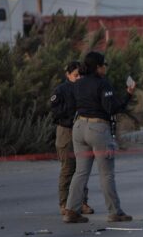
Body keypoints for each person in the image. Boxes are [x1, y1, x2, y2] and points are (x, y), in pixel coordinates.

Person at [62, 51, 135, 224]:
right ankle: (115, 211)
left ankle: (71, 210)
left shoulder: (78, 83)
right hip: (98, 128)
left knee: (80, 172)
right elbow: (112, 108)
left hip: (79, 127)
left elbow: (72, 105)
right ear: (98, 67)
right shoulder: (103, 84)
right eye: (103, 65)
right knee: (106, 173)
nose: (105, 68)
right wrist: (128, 95)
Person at [50, 61, 93, 217]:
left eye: (81, 75)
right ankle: (64, 203)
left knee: (82, 168)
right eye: (75, 75)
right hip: (67, 131)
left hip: (82, 130)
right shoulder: (61, 90)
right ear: (68, 75)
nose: (79, 77)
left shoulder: (84, 88)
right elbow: (55, 112)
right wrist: (70, 117)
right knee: (68, 169)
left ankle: (81, 202)